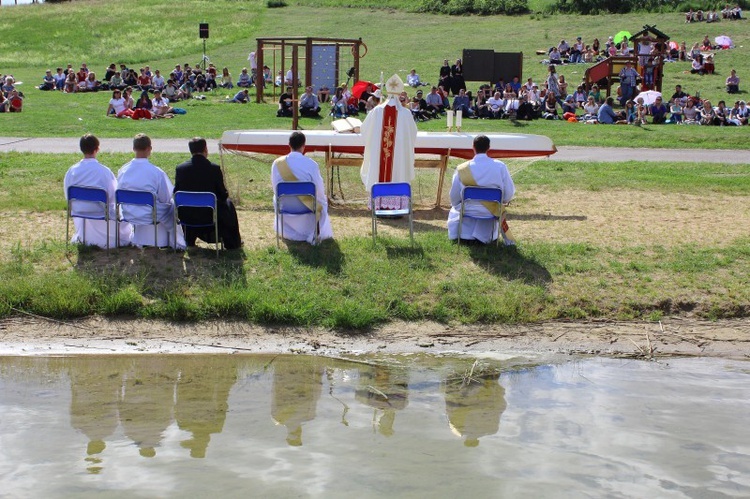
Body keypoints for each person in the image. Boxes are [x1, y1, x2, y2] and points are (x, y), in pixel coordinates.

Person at [360, 74, 418, 209]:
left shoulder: (376, 111)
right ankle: (396, 206)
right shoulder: (405, 114)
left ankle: (379, 204)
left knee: (380, 169)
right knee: (398, 169)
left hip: (379, 156)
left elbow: (365, 130)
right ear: (399, 95)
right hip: (398, 156)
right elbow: (413, 134)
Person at [117, 134, 185, 248]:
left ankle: (141, 238)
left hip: (128, 213)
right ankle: (176, 243)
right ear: (149, 149)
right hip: (150, 214)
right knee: (171, 205)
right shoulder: (156, 172)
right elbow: (165, 198)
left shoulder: (123, 170)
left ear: (133, 148)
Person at [64, 134, 132, 248]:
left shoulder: (72, 171)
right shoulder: (104, 171)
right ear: (97, 149)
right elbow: (113, 195)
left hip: (79, 210)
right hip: (100, 211)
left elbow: (68, 193)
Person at [174, 138, 242, 249]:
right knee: (229, 205)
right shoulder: (214, 169)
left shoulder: (181, 169)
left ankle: (189, 239)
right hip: (209, 215)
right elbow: (222, 195)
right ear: (206, 149)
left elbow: (176, 192)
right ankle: (232, 243)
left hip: (187, 215)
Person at [447, 135, 515, 245]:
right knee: (491, 209)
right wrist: (504, 200)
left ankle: (464, 236)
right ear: (488, 148)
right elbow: (508, 193)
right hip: (491, 211)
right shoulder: (500, 166)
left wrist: (456, 204)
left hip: (468, 209)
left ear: (473, 147)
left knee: (455, 208)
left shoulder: (462, 168)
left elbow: (454, 197)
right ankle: (486, 237)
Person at [271, 132, 333, 244]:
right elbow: (318, 190)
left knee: (276, 196)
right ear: (304, 146)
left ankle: (287, 232)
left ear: (289, 145)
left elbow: (275, 188)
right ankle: (314, 231)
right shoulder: (312, 164)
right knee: (322, 202)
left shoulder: (277, 163)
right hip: (308, 208)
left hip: (285, 206)